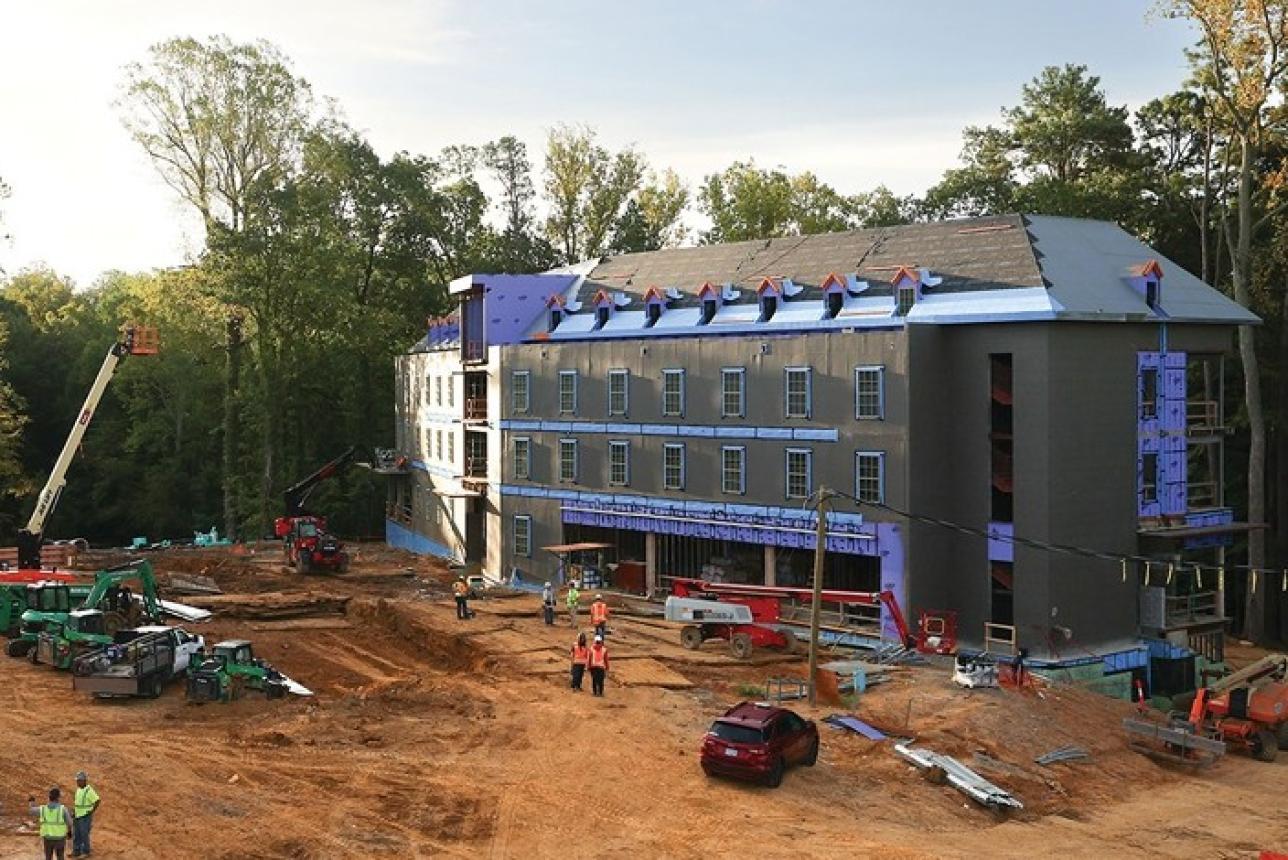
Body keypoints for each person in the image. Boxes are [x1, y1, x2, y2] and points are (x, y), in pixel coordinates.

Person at [28, 787, 73, 860]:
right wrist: (69, 832)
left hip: (47, 838)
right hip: (60, 839)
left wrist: (31, 801)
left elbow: (31, 811)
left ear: (49, 797)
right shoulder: (63, 809)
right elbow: (70, 823)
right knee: (60, 857)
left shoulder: (42, 809)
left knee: (48, 857)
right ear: (58, 798)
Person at [71, 771, 99, 857]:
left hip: (85, 815)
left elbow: (97, 801)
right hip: (77, 814)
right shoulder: (78, 789)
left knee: (84, 834)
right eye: (77, 781)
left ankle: (86, 852)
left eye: (79, 781)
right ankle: (76, 851)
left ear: (84, 781)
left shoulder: (89, 790)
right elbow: (77, 802)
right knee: (76, 833)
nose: (77, 782)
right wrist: (74, 812)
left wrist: (91, 811)